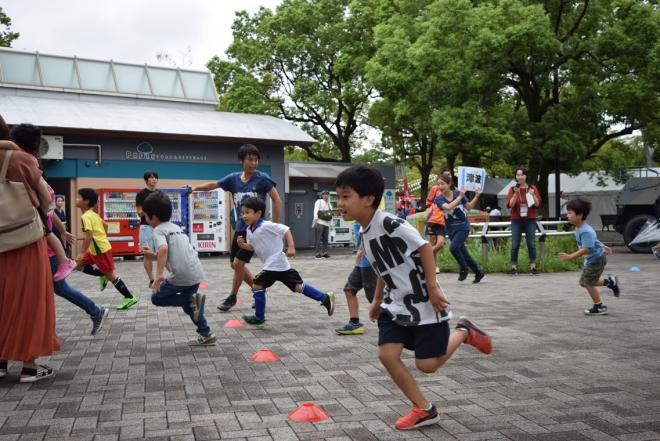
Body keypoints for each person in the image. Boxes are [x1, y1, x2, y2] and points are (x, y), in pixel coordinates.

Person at [334, 165, 492, 430]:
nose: (340, 203)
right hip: (395, 305)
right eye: (338, 197)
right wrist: (376, 300)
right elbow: (385, 268)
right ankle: (425, 409)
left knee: (427, 365)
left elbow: (424, 248)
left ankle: (464, 331)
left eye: (345, 196)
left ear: (368, 199)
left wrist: (432, 287)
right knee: (387, 354)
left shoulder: (390, 223)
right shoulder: (366, 232)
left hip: (425, 304)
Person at [0, 115, 60, 383]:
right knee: (30, 301)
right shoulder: (22, 160)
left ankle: (0, 365)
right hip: (24, 239)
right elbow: (47, 201)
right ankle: (29, 368)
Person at [191, 144, 282, 312]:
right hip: (240, 229)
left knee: (239, 263)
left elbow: (277, 200)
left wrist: (275, 227)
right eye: (249, 159)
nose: (253, 163)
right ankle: (258, 289)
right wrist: (194, 188)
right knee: (235, 265)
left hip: (255, 230)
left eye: (256, 160)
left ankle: (232, 297)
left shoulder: (262, 178)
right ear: (242, 161)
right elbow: (214, 185)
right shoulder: (233, 179)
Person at [237, 197, 335, 329]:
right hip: (281, 266)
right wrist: (243, 245)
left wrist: (291, 246)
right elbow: (253, 246)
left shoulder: (266, 225)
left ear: (258, 213)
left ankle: (259, 318)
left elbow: (285, 229)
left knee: (257, 285)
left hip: (274, 263)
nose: (244, 216)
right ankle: (324, 298)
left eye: (247, 212)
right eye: (242, 213)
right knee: (297, 287)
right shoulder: (249, 230)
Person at [142, 192, 217, 346]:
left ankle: (190, 300)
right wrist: (154, 256)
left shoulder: (158, 230)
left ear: (153, 217)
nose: (145, 219)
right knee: (191, 308)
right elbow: (169, 252)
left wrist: (158, 276)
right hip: (195, 272)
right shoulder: (176, 227)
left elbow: (163, 249)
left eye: (145, 216)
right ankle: (206, 334)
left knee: (157, 298)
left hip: (180, 276)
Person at [10, 123, 76, 282]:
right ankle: (64, 261)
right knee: (48, 233)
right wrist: (63, 231)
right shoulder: (31, 158)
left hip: (40, 206)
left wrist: (45, 206)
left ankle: (64, 261)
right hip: (43, 205)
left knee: (47, 233)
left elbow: (43, 192)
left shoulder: (22, 158)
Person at [74, 188, 138, 310]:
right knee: (77, 265)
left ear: (86, 201)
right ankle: (102, 274)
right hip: (96, 249)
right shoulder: (92, 214)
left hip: (100, 251)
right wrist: (103, 237)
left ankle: (129, 297)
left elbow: (89, 236)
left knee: (112, 276)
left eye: (78, 197)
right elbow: (106, 225)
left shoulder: (86, 217)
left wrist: (82, 252)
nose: (76, 199)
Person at [559, 198, 620, 315]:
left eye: (570, 213)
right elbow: (594, 241)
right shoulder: (579, 227)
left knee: (587, 283)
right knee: (584, 282)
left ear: (580, 215)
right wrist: (603, 246)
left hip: (596, 259)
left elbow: (587, 248)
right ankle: (610, 282)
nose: (567, 215)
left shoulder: (585, 230)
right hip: (593, 258)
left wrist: (570, 257)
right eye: (568, 212)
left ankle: (599, 306)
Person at [433, 175, 485, 283]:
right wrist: (460, 197)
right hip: (451, 229)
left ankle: (464, 268)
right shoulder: (439, 199)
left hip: (463, 227)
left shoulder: (457, 193)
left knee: (453, 248)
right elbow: (448, 207)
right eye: (439, 184)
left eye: (443, 184)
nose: (440, 186)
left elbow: (469, 207)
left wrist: (476, 196)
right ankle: (478, 272)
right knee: (465, 255)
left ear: (449, 184)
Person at [334, 244, 377, 335]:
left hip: (371, 264)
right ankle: (354, 323)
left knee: (373, 297)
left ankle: (395, 325)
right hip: (362, 262)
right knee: (349, 289)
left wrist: (361, 250)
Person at [506, 166, 541, 275]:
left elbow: (537, 204)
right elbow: (510, 205)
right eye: (518, 175)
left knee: (531, 243)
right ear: (515, 176)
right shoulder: (512, 189)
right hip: (516, 219)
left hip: (530, 219)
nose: (520, 177)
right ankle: (513, 267)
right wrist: (516, 194)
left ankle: (533, 267)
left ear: (526, 176)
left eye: (522, 175)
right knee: (515, 244)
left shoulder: (532, 188)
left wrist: (532, 194)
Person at [135, 170, 159, 287]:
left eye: (155, 178)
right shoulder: (141, 194)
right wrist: (148, 206)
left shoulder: (160, 193)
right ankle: (151, 280)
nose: (153, 180)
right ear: (146, 180)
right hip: (146, 227)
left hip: (159, 227)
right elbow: (139, 213)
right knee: (148, 254)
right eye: (151, 178)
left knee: (163, 252)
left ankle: (165, 277)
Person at [425, 175, 446, 274]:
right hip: (433, 219)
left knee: (440, 244)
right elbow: (428, 202)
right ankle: (434, 266)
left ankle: (424, 257)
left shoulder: (451, 191)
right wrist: (430, 211)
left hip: (443, 221)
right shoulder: (435, 189)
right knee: (433, 242)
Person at [313, 190, 332, 258]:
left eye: (327, 194)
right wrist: (315, 221)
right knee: (318, 238)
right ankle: (317, 252)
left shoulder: (329, 204)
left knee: (325, 239)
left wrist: (331, 224)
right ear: (322, 195)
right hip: (320, 222)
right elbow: (316, 211)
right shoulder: (319, 201)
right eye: (324, 194)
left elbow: (330, 214)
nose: (326, 195)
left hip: (327, 223)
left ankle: (325, 252)